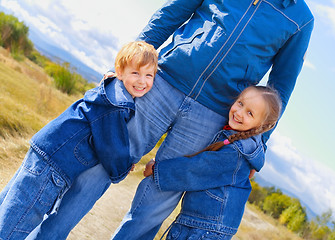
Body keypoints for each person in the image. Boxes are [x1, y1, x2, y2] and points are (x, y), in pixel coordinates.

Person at [31, 0, 314, 239]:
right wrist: (126, 65)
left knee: (157, 198)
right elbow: (171, 13)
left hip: (213, 114)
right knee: (100, 164)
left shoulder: (300, 19)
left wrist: (257, 143)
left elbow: (280, 88)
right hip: (161, 83)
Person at [0, 41, 158, 240]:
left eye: (149, 75)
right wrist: (124, 167)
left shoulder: (109, 91)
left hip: (44, 152)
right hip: (54, 166)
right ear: (119, 71)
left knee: (9, 209)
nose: (142, 81)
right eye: (135, 73)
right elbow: (112, 149)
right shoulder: (117, 104)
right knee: (17, 222)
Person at [143, 85, 281, 239]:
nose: (239, 113)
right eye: (240, 103)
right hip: (202, 224)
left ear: (262, 126)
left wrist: (158, 171)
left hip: (205, 230)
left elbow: (198, 168)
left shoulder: (237, 152)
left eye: (250, 113)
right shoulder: (233, 138)